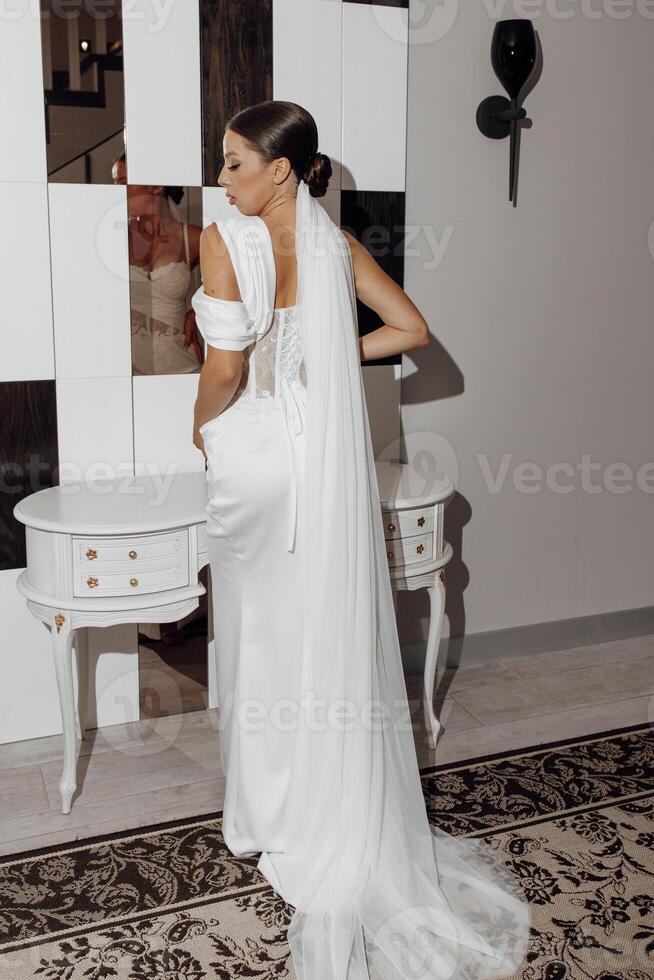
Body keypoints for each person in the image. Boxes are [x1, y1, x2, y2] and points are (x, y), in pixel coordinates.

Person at [191, 101, 531, 980]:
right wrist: (330, 356)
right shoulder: (336, 247)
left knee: (259, 635)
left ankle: (266, 818)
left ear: (280, 172)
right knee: (320, 630)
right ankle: (322, 812)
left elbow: (225, 368)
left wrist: (201, 430)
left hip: (258, 455)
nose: (221, 178)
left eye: (234, 164)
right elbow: (414, 333)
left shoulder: (226, 243)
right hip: (326, 462)